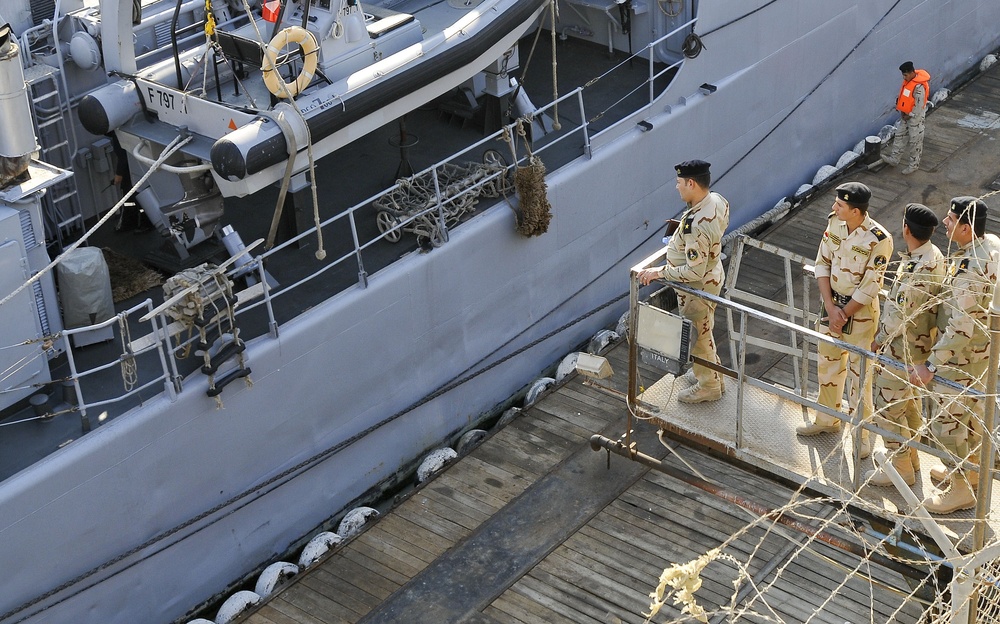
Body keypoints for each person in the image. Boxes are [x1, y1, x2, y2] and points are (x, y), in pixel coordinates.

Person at [909, 196, 997, 514]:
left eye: (950, 218)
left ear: (966, 226)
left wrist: (931, 365)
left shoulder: (970, 268)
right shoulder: (989, 246)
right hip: (982, 353)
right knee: (969, 419)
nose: (945, 223)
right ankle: (969, 473)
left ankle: (960, 490)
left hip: (960, 358)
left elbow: (960, 325)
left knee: (946, 424)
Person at [797, 182, 893, 461]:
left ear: (855, 211)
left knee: (858, 377)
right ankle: (827, 419)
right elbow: (822, 263)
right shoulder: (835, 225)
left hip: (860, 316)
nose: (833, 208)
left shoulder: (879, 239)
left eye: (839, 205)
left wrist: (844, 313)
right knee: (827, 365)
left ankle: (862, 436)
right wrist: (830, 307)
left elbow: (871, 284)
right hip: (831, 308)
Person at [865, 203, 945, 487]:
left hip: (901, 350)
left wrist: (878, 339)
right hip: (919, 349)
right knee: (908, 407)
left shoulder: (917, 268)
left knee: (886, 409)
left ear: (906, 229)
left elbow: (900, 316)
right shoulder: (934, 256)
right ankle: (910, 460)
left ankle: (899, 469)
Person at [637, 160, 729, 403]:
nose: (676, 187)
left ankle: (708, 386)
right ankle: (713, 375)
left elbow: (693, 272)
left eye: (679, 183)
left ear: (691, 183)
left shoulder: (696, 225)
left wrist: (660, 272)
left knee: (699, 337)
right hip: (713, 275)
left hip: (697, 288)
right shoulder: (717, 200)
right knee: (706, 330)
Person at [884, 61, 930, 175]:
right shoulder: (907, 82)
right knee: (899, 136)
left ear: (911, 73)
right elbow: (904, 98)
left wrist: (908, 115)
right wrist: (902, 112)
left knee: (915, 141)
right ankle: (894, 159)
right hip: (905, 116)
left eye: (905, 75)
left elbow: (918, 107)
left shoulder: (919, 87)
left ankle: (913, 165)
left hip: (915, 119)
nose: (904, 77)